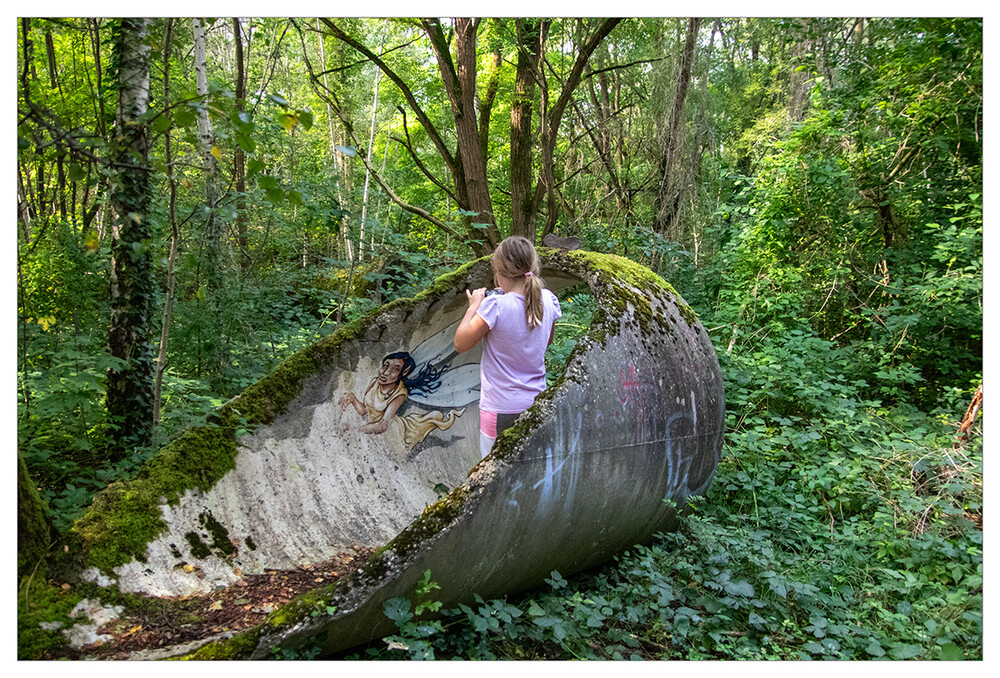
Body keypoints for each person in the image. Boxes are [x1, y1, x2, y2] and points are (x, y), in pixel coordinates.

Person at [454, 235, 561, 458]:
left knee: (494, 481)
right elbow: (547, 341)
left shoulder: (496, 305)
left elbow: (461, 343)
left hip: (500, 407)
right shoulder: (549, 300)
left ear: (500, 271)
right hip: (536, 406)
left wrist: (474, 306)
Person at [338, 351, 465, 449]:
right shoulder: (374, 382)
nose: (386, 373)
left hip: (393, 435)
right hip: (371, 428)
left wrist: (356, 430)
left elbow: (384, 425)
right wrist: (353, 399)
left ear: (404, 372)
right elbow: (364, 411)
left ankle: (446, 440)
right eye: (385, 366)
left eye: (395, 369)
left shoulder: (400, 394)